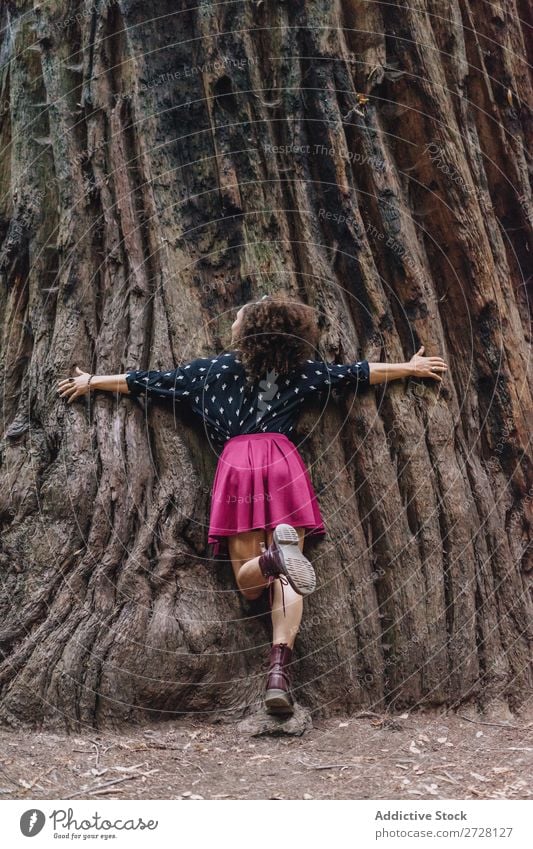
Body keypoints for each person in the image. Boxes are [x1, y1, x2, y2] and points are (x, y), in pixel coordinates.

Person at [56, 293, 448, 716]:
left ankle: (271, 559)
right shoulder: (299, 371)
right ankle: (278, 672)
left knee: (249, 586)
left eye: (240, 316)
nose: (235, 318)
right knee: (289, 582)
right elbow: (354, 374)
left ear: (247, 330)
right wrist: (409, 368)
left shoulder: (206, 371)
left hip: (238, 466)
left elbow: (145, 382)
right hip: (283, 465)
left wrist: (92, 381)